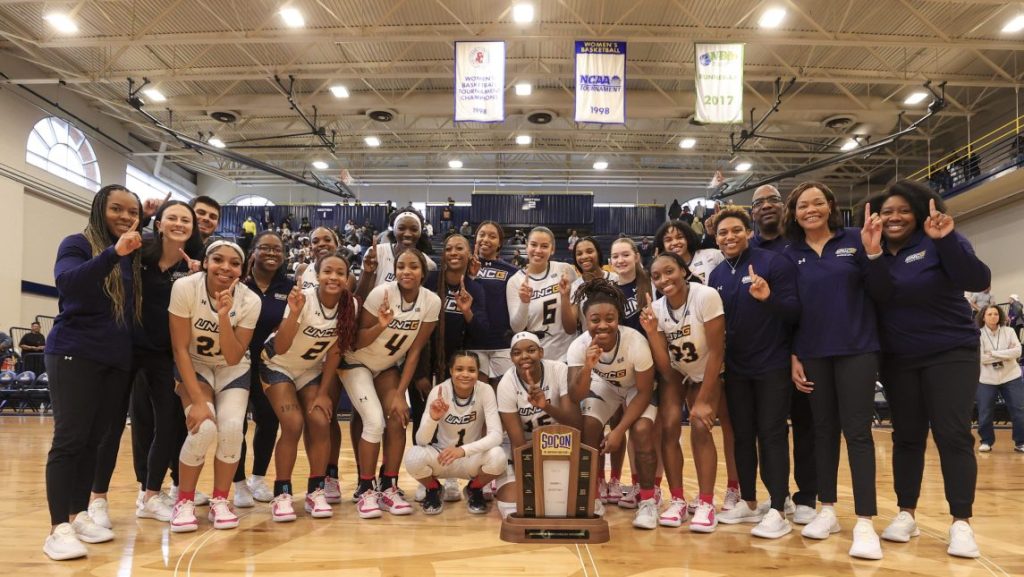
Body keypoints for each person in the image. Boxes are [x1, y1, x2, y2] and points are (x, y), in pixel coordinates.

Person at [865, 182, 991, 558]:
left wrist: (948, 239)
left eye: (903, 210)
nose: (894, 217)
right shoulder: (875, 252)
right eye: (887, 211)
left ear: (919, 211)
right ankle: (906, 513)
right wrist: (872, 257)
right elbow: (879, 296)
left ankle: (961, 522)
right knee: (906, 437)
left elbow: (977, 280)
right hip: (899, 359)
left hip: (950, 352)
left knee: (952, 434)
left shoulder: (939, 240)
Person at [781, 182, 891, 560]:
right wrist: (795, 354)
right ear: (793, 213)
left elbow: (881, 291)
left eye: (816, 203)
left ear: (830, 206)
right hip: (813, 352)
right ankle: (827, 509)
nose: (809, 210)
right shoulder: (790, 253)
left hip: (857, 349)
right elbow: (793, 310)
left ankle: (864, 521)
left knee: (857, 433)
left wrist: (874, 252)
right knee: (822, 432)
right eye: (801, 205)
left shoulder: (855, 240)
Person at [42, 185, 143, 561]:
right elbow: (68, 283)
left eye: (132, 212)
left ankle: (78, 512)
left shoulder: (131, 255)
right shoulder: (78, 243)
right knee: (70, 440)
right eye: (117, 209)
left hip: (114, 359)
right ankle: (57, 528)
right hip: (74, 352)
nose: (125, 217)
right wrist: (112, 254)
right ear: (100, 208)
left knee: (94, 440)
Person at [90, 201, 203, 530]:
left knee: (167, 424)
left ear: (192, 228)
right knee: (111, 426)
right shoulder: (139, 253)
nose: (179, 223)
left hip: (163, 355)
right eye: (173, 218)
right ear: (159, 222)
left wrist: (198, 280)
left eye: (186, 219)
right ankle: (97, 498)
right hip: (125, 348)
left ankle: (150, 496)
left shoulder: (192, 268)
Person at [708, 208, 800, 538]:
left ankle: (778, 506)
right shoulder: (716, 275)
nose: (729, 237)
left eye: (736, 230)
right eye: (722, 233)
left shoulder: (773, 263)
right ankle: (748, 501)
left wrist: (768, 297)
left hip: (772, 363)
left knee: (772, 433)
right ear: (715, 239)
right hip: (736, 368)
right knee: (742, 434)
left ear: (749, 232)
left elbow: (794, 312)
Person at [167, 241, 262, 533]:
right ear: (206, 262)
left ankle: (220, 500)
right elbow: (180, 348)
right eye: (218, 259)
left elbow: (233, 355)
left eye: (234, 263)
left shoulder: (250, 301)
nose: (226, 267)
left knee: (233, 428)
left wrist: (223, 315)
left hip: (232, 368)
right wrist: (196, 400)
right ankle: (183, 501)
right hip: (195, 364)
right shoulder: (185, 288)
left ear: (242, 271)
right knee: (204, 427)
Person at [339, 248, 440, 519]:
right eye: (401, 266)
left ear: (423, 272)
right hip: (356, 361)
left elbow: (415, 351)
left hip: (387, 366)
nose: (407, 271)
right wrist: (382, 325)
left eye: (413, 267)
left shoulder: (431, 301)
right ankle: (365, 488)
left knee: (397, 417)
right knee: (374, 421)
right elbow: (356, 341)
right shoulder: (380, 294)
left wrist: (399, 393)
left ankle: (389, 485)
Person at [261, 251, 358, 522]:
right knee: (292, 423)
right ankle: (282, 493)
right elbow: (280, 346)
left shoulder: (350, 306)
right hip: (277, 364)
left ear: (348, 278)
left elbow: (336, 352)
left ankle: (316, 490)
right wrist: (293, 314)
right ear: (317, 274)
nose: (334, 277)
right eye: (328, 271)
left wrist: (325, 392)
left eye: (340, 273)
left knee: (320, 419)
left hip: (310, 369)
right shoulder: (303, 300)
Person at [641, 252, 726, 532]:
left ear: (683, 270)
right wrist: (653, 333)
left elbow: (716, 352)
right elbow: (666, 370)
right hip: (678, 372)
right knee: (667, 427)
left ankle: (705, 502)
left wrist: (702, 400)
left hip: (707, 369)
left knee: (701, 426)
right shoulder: (658, 309)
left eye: (669, 271)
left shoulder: (706, 295)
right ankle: (677, 499)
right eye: (656, 276)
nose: (664, 279)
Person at [748, 184, 817, 523]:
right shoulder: (749, 251)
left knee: (806, 425)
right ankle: (780, 495)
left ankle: (807, 496)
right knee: (769, 430)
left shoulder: (801, 242)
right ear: (753, 213)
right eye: (759, 202)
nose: (766, 206)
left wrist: (800, 348)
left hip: (805, 345)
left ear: (783, 206)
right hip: (766, 353)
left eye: (773, 199)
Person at [569, 279, 658, 528]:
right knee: (588, 427)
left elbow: (643, 391)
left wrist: (619, 430)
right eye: (595, 320)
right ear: (586, 322)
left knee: (641, 431)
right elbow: (575, 395)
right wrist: (587, 367)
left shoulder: (635, 342)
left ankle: (648, 501)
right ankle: (593, 495)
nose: (603, 325)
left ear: (618, 318)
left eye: (610, 318)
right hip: (605, 386)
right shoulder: (579, 346)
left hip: (634, 389)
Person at [232, 230, 292, 508]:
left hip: (269, 365)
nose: (271, 253)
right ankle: (238, 482)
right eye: (265, 248)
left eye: (277, 250)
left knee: (269, 421)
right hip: (236, 363)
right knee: (235, 425)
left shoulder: (289, 288)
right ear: (253, 252)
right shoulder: (237, 284)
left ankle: (258, 477)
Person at [405, 351, 505, 515]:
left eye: (471, 370)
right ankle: (433, 489)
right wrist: (433, 418)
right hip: (443, 457)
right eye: (459, 369)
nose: (465, 374)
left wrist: (463, 450)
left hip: (471, 458)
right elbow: (421, 440)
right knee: (413, 457)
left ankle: (474, 489)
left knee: (498, 456)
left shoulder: (485, 390)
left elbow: (496, 435)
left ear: (478, 372)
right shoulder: (439, 391)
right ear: (451, 370)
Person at [495, 332, 580, 518]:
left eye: (531, 350)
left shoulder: (559, 370)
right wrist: (529, 483)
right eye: (517, 353)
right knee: (513, 507)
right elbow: (517, 443)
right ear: (512, 358)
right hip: (525, 449)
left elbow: (575, 423)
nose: (524, 356)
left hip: (558, 444)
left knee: (564, 504)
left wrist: (546, 406)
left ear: (541, 352)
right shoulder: (506, 385)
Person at [506, 227, 577, 362]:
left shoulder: (565, 270)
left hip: (567, 353)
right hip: (536, 356)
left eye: (544, 246)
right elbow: (516, 328)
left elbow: (573, 325)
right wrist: (524, 303)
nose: (538, 250)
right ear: (526, 247)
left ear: (552, 249)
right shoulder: (515, 281)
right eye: (533, 245)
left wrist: (565, 297)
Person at [469, 221, 520, 386]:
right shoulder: (463, 267)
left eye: (492, 236)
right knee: (477, 399)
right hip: (473, 341)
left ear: (500, 243)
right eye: (482, 234)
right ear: (475, 238)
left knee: (502, 398)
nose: (486, 239)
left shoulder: (512, 272)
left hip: (501, 343)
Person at [356, 208, 436, 298]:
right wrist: (367, 274)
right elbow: (360, 298)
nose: (407, 234)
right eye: (401, 228)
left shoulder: (428, 264)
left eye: (414, 229)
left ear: (420, 232)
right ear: (394, 231)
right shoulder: (377, 253)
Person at [976, 305, 1024, 454]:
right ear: (983, 317)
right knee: (984, 412)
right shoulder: (977, 334)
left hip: (1011, 376)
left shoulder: (1009, 331)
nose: (993, 316)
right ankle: (986, 441)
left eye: (996, 314)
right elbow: (980, 358)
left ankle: (1021, 442)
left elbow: (1017, 351)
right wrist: (1005, 354)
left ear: (1000, 316)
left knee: (1019, 410)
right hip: (986, 379)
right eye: (989, 314)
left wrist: (994, 353)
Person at [654, 219, 724, 284]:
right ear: (662, 245)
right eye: (668, 240)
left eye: (680, 237)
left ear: (688, 238)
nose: (675, 243)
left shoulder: (712, 256)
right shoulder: (660, 272)